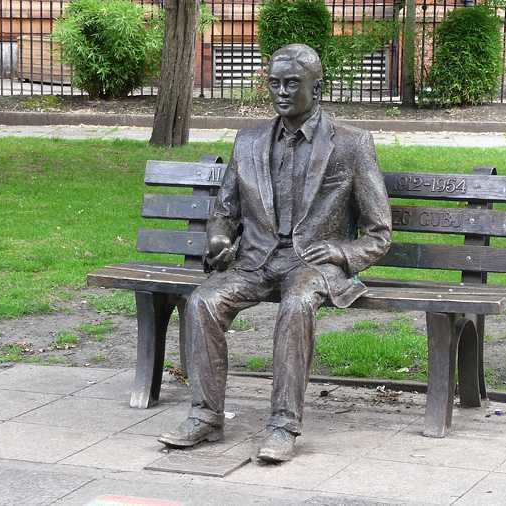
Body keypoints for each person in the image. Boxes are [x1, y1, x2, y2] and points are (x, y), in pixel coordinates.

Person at [159, 43, 392, 463]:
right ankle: (205, 415)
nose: (281, 92)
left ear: (317, 88)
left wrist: (340, 253)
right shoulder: (248, 142)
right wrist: (218, 239)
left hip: (312, 264)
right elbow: (225, 211)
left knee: (297, 304)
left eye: (291, 84)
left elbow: (379, 234)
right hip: (256, 260)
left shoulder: (352, 145)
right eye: (274, 83)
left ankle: (283, 425)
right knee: (202, 302)